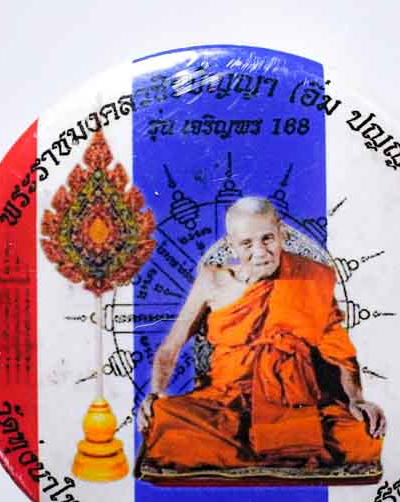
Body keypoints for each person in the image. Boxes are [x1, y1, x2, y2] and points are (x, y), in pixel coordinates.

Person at [136, 197, 385, 479]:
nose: (260, 252)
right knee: (164, 420)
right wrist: (155, 393)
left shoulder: (311, 278)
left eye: (267, 238)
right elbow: (171, 347)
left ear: (282, 233)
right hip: (225, 404)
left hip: (296, 404)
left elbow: (340, 352)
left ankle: (248, 454)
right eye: (247, 243)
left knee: (362, 434)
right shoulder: (212, 280)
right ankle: (277, 453)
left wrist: (357, 399)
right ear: (231, 245)